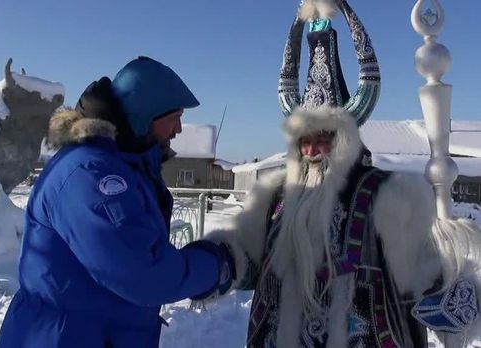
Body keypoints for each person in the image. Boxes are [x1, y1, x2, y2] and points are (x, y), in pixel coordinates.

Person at [193, 1, 481, 347]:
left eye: (323, 140)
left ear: (344, 140)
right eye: (305, 142)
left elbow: (422, 276)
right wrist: (208, 265)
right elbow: (246, 260)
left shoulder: (385, 196)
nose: (312, 151)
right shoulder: (275, 197)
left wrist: (453, 294)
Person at [0, 57, 234, 347]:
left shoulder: (121, 166)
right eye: (175, 117)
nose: (179, 129)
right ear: (146, 115)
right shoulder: (89, 173)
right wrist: (215, 265)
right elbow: (143, 272)